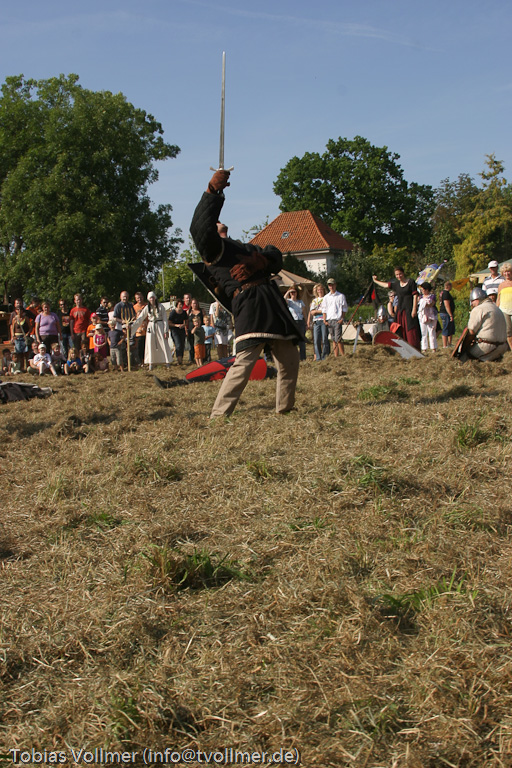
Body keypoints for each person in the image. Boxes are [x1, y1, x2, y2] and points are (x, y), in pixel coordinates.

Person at [190, 169, 302, 417]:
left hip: (271, 301)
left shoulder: (241, 246)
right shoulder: (213, 251)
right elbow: (199, 227)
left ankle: (285, 409)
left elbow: (275, 255)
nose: (219, 222)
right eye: (215, 222)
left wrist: (262, 260)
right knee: (244, 362)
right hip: (250, 303)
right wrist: (212, 192)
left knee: (289, 358)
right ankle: (219, 415)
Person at [373, 267, 421, 350]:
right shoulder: (396, 284)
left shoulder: (411, 282)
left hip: (409, 310)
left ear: (403, 273)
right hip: (400, 310)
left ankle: (414, 349)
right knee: (400, 330)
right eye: (397, 275)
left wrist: (414, 309)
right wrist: (375, 281)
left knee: (411, 330)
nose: (399, 276)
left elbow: (415, 296)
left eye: (400, 274)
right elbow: (386, 285)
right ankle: (403, 349)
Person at [461, 286, 508, 362]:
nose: (472, 304)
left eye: (472, 301)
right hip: (502, 348)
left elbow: (471, 332)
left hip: (487, 348)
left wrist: (464, 348)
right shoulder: (497, 308)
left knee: (463, 358)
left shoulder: (478, 309)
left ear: (477, 299)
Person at [131, 291, 173, 371]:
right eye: (150, 298)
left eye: (153, 297)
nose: (152, 299)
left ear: (155, 298)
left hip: (160, 326)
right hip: (151, 326)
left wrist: (165, 330)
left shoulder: (160, 306)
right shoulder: (147, 307)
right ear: (148, 299)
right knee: (150, 344)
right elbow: (140, 318)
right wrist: (132, 327)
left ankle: (167, 361)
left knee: (163, 343)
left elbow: (165, 319)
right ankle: (151, 363)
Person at [321, 278, 347, 357]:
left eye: (332, 285)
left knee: (338, 338)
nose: (331, 286)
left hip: (337, 319)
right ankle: (336, 355)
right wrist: (324, 320)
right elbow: (324, 309)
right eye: (329, 285)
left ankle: (343, 355)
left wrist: (342, 318)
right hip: (330, 320)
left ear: (335, 285)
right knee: (333, 339)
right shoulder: (326, 297)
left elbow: (344, 308)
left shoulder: (341, 296)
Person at [284, 285, 307, 361]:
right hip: (293, 322)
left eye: (294, 292)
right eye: (292, 292)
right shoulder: (289, 302)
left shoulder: (300, 302)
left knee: (302, 340)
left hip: (300, 321)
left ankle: (302, 357)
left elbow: (304, 312)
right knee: (293, 340)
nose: (293, 293)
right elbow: (283, 300)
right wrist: (288, 292)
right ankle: (293, 357)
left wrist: (306, 322)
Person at [308, 283, 330, 361]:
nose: (320, 291)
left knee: (324, 339)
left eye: (321, 289)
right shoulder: (314, 300)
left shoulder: (326, 299)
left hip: (324, 320)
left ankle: (325, 356)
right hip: (316, 321)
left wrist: (317, 311)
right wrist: (320, 311)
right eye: (318, 290)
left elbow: (327, 310)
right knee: (316, 340)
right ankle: (318, 357)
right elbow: (312, 312)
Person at [10, 299, 31, 367]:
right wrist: (13, 336)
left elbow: (30, 326)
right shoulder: (14, 319)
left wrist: (28, 333)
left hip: (24, 336)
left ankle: (27, 366)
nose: (19, 311)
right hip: (17, 337)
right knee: (19, 353)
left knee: (26, 352)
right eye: (18, 310)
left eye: (20, 310)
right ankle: (21, 367)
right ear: (16, 310)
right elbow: (12, 328)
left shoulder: (26, 318)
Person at [417, 281, 438, 352]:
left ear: (427, 289)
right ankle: (424, 348)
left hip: (431, 315)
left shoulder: (432, 296)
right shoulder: (420, 297)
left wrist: (424, 303)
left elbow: (431, 304)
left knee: (431, 331)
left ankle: (433, 347)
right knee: (423, 332)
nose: (422, 291)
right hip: (423, 316)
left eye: (423, 289)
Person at [496, 262, 512, 351]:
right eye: (505, 272)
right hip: (504, 310)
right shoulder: (501, 285)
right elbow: (498, 299)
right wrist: (496, 310)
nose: (507, 274)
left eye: (508, 271)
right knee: (508, 331)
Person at [168, 299, 187, 365]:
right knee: (178, 344)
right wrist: (176, 325)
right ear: (177, 305)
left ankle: (180, 360)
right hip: (174, 330)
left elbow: (186, 321)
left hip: (182, 330)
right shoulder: (173, 313)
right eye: (179, 304)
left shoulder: (184, 312)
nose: (181, 306)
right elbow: (169, 322)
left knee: (182, 345)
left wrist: (184, 325)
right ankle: (179, 360)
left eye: (182, 304)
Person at [133, 291, 148, 367]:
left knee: (147, 347)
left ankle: (146, 361)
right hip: (139, 331)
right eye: (138, 298)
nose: (140, 299)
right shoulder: (134, 307)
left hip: (147, 329)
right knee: (139, 347)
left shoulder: (147, 305)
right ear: (136, 299)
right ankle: (140, 362)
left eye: (141, 297)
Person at [186, 299, 204, 364]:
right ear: (191, 304)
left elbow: (204, 319)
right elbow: (186, 321)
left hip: (199, 331)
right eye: (193, 303)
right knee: (191, 345)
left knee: (199, 345)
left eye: (196, 303)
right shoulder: (189, 311)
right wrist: (186, 330)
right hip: (191, 330)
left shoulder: (201, 311)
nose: (195, 305)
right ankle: (191, 359)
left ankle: (201, 359)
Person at [439, 281, 455, 348]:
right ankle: (445, 345)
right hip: (445, 313)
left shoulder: (443, 293)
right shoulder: (445, 293)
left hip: (446, 313)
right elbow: (446, 304)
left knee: (450, 328)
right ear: (448, 286)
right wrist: (450, 314)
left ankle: (449, 343)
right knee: (446, 328)